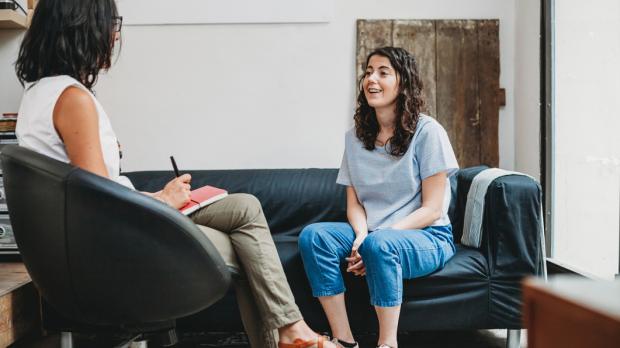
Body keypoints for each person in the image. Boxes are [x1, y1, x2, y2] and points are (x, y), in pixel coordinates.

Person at [14, 1, 335, 347]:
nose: (115, 34)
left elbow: (91, 192)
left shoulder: (39, 94)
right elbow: (97, 202)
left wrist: (158, 197)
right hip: (110, 247)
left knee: (244, 207)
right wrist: (164, 200)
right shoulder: (72, 99)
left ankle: (292, 332)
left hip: (95, 240)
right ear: (82, 28)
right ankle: (291, 333)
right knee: (247, 246)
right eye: (111, 23)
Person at [298, 47, 459, 348]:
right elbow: (354, 203)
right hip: (373, 233)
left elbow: (432, 209)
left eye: (383, 72)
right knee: (314, 237)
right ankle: (344, 341)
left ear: (403, 82)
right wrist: (361, 237)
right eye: (369, 71)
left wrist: (377, 238)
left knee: (379, 244)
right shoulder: (355, 137)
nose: (372, 78)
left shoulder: (428, 132)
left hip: (427, 236)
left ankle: (387, 344)